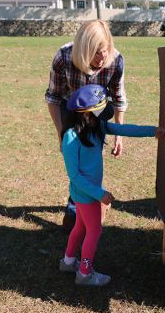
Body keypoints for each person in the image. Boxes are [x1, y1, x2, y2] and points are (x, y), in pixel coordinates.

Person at [59, 84, 165, 286]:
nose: (103, 117)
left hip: (88, 193)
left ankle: (68, 261)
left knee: (81, 227)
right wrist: (99, 194)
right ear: (85, 115)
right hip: (86, 194)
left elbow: (124, 129)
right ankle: (84, 273)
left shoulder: (97, 125)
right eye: (98, 112)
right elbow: (75, 176)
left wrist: (152, 131)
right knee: (94, 231)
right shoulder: (70, 138)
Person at [45, 20, 128, 230]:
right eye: (96, 53)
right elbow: (53, 98)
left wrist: (119, 136)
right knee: (74, 160)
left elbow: (118, 99)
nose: (102, 59)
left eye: (105, 51)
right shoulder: (63, 57)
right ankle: (76, 209)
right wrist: (61, 134)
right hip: (70, 107)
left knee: (90, 159)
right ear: (83, 50)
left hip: (97, 110)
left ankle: (80, 208)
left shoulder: (116, 60)